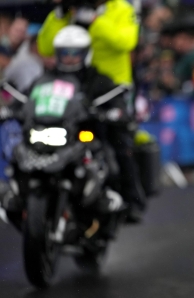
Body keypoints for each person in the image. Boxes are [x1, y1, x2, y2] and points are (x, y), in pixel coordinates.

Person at [51, 25, 145, 222]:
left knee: (118, 150)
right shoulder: (49, 78)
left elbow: (116, 100)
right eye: (64, 52)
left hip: (90, 131)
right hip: (58, 133)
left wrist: (114, 112)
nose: (69, 57)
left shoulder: (96, 78)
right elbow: (28, 98)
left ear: (85, 53)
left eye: (74, 53)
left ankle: (132, 200)